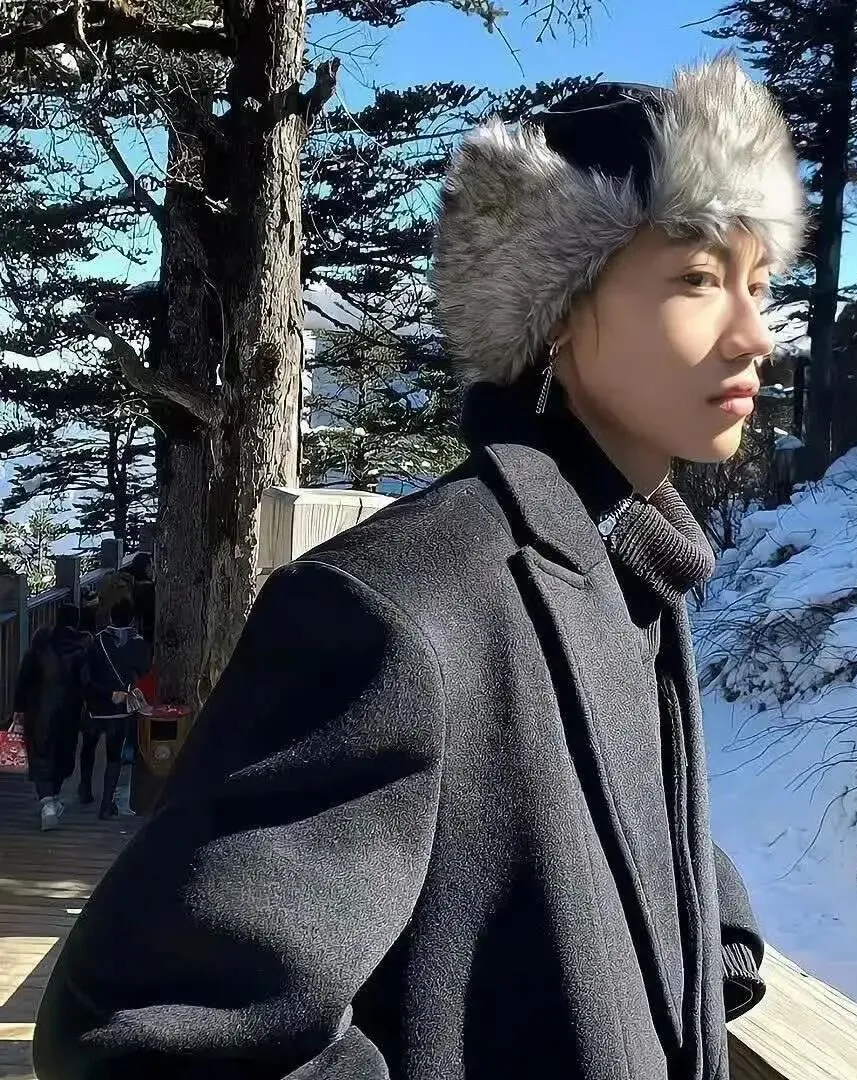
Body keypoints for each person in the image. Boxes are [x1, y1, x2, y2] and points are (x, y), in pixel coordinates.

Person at [34, 56, 804, 1080]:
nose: (755, 335)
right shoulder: (400, 609)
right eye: (699, 280)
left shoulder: (621, 565)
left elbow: (580, 820)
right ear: (556, 308)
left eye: (759, 284)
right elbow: (147, 1030)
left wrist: (707, 944)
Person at [11, 603, 90, 831]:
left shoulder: (41, 643)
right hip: (70, 711)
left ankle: (47, 802)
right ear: (76, 621)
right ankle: (53, 798)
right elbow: (87, 682)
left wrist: (19, 708)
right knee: (64, 753)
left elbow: (25, 677)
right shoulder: (83, 647)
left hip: (39, 709)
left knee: (41, 754)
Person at [77, 597, 151, 819]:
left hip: (95, 706)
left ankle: (85, 788)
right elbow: (144, 669)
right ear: (132, 619)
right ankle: (106, 804)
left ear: (111, 617)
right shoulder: (137, 643)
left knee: (88, 749)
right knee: (113, 757)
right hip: (119, 709)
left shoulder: (97, 642)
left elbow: (85, 677)